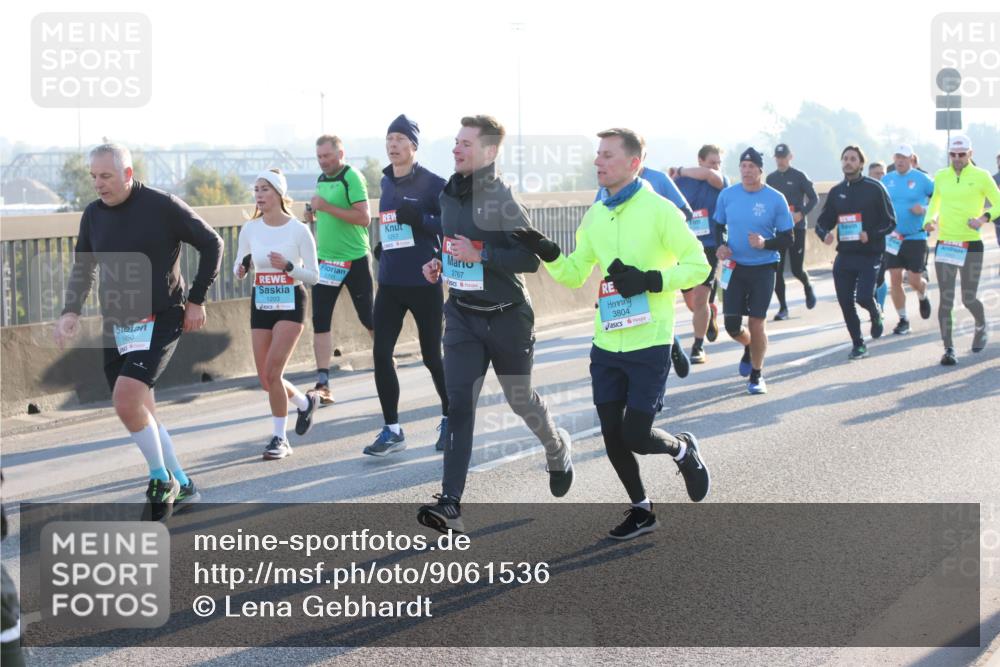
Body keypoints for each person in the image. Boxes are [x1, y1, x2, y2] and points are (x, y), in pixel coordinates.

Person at [514, 128, 711, 540]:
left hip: (650, 341)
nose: (597, 162)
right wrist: (547, 250)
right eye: (597, 154)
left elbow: (699, 266)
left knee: (636, 435)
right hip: (606, 342)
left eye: (606, 155)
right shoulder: (596, 215)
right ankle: (642, 508)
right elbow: (573, 274)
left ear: (633, 163)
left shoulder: (660, 210)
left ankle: (681, 449)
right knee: (611, 435)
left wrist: (651, 279)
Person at [415, 115, 573, 535]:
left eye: (465, 143)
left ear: (489, 152)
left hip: (507, 317)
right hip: (463, 314)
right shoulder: (450, 193)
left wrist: (480, 253)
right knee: (459, 406)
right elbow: (455, 247)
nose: (456, 149)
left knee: (519, 400)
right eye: (455, 142)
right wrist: (440, 263)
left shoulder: (502, 198)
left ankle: (557, 448)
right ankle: (450, 503)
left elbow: (531, 259)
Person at [54, 143, 223, 521]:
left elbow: (213, 242)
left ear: (127, 174)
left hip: (162, 317)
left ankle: (160, 480)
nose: (98, 184)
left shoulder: (162, 205)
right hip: (118, 324)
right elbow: (84, 267)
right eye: (94, 177)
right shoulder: (93, 215)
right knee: (141, 409)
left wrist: (197, 300)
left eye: (106, 176)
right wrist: (70, 312)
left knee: (126, 399)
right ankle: (183, 481)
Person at [365, 115, 450, 456]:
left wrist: (424, 220)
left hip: (424, 283)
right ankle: (392, 429)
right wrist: (384, 244)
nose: (393, 145)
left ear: (414, 146)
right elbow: (391, 224)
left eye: (400, 139)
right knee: (381, 353)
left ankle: (450, 419)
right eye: (389, 139)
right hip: (389, 283)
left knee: (433, 355)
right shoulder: (385, 184)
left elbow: (451, 225)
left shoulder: (433, 183)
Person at [234, 169, 320, 460]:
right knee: (265, 379)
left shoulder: (297, 229)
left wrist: (288, 267)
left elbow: (314, 276)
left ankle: (279, 439)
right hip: (261, 301)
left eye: (265, 189)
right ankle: (304, 403)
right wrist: (242, 268)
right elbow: (238, 264)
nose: (259, 195)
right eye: (256, 189)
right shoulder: (250, 229)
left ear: (280, 195)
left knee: (273, 373)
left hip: (290, 302)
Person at [597, 166, 693, 378]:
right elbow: (597, 223)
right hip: (619, 270)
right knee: (628, 324)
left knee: (654, 317)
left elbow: (685, 211)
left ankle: (668, 346)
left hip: (651, 265)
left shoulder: (658, 180)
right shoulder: (608, 186)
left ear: (635, 159)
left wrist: (657, 228)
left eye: (610, 155)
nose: (602, 162)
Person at [713, 147, 794, 394]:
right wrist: (721, 246)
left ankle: (757, 375)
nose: (747, 171)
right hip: (735, 268)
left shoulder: (775, 198)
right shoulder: (728, 195)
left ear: (760, 170)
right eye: (743, 167)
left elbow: (788, 237)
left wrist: (764, 243)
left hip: (763, 268)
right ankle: (749, 346)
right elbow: (718, 225)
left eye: (751, 167)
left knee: (757, 322)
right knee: (732, 325)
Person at [304, 135, 373, 405]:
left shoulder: (351, 177)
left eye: (327, 156)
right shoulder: (322, 180)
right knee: (320, 320)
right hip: (327, 261)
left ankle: (383, 358)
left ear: (340, 153)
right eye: (319, 157)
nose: (323, 161)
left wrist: (326, 207)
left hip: (354, 258)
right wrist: (313, 214)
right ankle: (323, 382)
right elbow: (325, 213)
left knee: (368, 316)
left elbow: (364, 218)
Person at [923, 134, 1000, 365]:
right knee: (946, 300)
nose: (957, 159)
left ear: (970, 154)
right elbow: (935, 202)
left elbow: (998, 203)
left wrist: (983, 218)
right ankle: (949, 349)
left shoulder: (982, 176)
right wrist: (929, 220)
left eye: (962, 155)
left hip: (971, 244)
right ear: (949, 155)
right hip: (946, 243)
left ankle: (981, 324)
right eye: (953, 155)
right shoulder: (941, 176)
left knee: (968, 298)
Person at [815, 146, 896, 360]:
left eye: (853, 159)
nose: (848, 162)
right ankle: (858, 344)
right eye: (845, 159)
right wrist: (825, 235)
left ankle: (875, 312)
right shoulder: (836, 192)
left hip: (870, 254)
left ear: (861, 164)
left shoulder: (875, 188)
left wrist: (871, 234)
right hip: (845, 255)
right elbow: (822, 222)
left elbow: (890, 222)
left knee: (863, 297)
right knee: (845, 301)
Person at [673, 144, 729, 363]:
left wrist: (681, 169)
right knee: (691, 302)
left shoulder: (720, 181)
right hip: (684, 246)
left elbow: (709, 176)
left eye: (718, 163)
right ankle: (710, 314)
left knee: (700, 298)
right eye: (711, 162)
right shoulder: (681, 183)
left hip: (709, 245)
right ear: (700, 160)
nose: (716, 167)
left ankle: (698, 346)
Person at [879, 145, 934, 335]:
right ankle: (903, 319)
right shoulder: (887, 180)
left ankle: (922, 293)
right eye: (897, 157)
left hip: (915, 236)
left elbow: (939, 199)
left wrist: (925, 209)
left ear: (911, 159)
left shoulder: (922, 179)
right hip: (893, 237)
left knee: (913, 280)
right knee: (895, 279)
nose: (900, 161)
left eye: (904, 157)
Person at [766, 143, 818, 320]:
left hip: (797, 228)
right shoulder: (771, 179)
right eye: (778, 157)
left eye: (783, 157)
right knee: (777, 270)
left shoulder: (799, 176)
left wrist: (800, 213)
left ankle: (807, 285)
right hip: (778, 230)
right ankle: (783, 308)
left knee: (796, 269)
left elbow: (814, 198)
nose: (780, 160)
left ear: (790, 157)